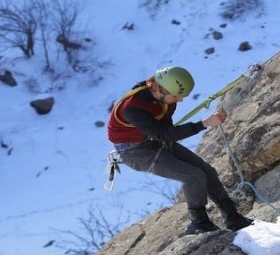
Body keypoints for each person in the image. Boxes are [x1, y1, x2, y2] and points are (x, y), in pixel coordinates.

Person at [107, 66, 253, 234]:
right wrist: (204, 124)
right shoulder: (132, 108)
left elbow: (165, 129)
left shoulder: (165, 100)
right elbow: (164, 134)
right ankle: (198, 224)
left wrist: (201, 122)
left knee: (207, 172)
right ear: (158, 88)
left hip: (153, 141)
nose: (179, 100)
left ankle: (233, 218)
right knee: (193, 176)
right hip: (136, 153)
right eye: (176, 96)